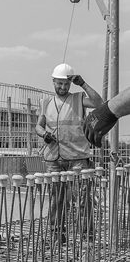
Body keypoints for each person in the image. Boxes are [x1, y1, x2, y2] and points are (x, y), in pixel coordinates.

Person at [35, 63, 103, 237]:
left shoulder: (78, 98)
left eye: (66, 84)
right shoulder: (46, 102)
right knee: (56, 199)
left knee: (82, 198)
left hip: (77, 157)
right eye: (59, 83)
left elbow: (99, 103)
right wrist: (44, 134)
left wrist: (83, 84)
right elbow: (38, 126)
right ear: (53, 82)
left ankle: (86, 234)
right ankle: (57, 234)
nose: (63, 87)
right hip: (53, 159)